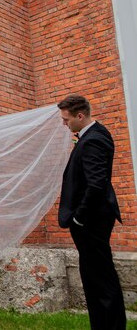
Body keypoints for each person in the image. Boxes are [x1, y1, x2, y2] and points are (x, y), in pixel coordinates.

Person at [57, 94, 126, 330]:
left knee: (101, 278)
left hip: (91, 220)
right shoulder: (95, 135)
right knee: (94, 277)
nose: (65, 124)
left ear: (80, 115)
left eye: (67, 119)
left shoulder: (94, 139)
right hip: (92, 219)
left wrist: (79, 217)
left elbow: (96, 185)